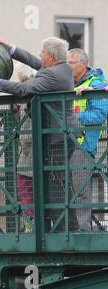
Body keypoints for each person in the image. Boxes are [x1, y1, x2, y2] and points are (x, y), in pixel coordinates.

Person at [0, 37, 81, 232]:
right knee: (59, 182)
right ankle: (68, 227)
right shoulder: (62, 69)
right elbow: (34, 62)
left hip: (56, 137)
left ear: (51, 57)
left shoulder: (52, 76)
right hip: (61, 135)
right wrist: (12, 49)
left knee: (55, 184)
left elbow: (23, 89)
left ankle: (63, 230)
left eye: (42, 52)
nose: (39, 55)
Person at [68, 48, 108, 231]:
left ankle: (84, 232)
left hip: (83, 146)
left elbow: (99, 115)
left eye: (71, 63)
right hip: (63, 143)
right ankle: (69, 230)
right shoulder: (68, 82)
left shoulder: (96, 83)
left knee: (80, 190)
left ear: (83, 64)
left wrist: (73, 119)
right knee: (64, 189)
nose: (67, 66)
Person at [13, 63, 37, 223]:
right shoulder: (27, 94)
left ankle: (32, 223)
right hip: (27, 153)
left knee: (26, 191)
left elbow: (27, 131)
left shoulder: (29, 92)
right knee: (28, 192)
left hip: (31, 153)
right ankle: (33, 222)